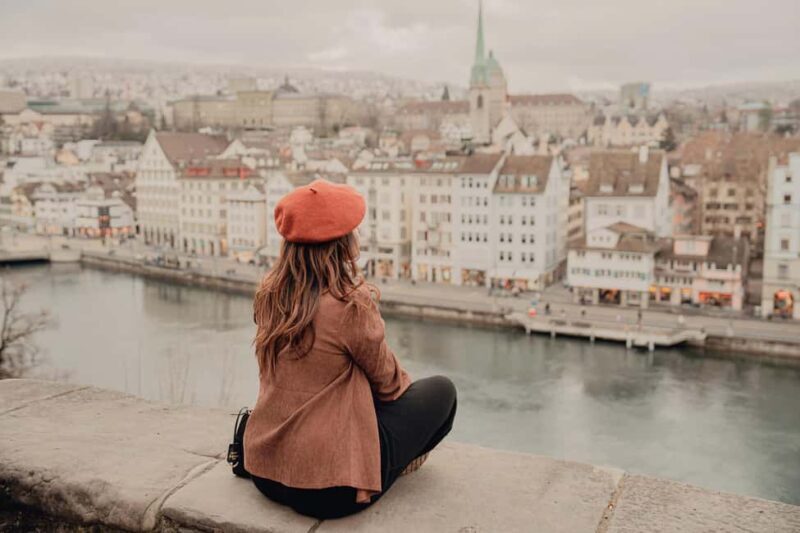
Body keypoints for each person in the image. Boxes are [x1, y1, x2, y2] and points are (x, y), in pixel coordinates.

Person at [244, 179, 457, 520]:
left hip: (265, 470)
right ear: (343, 244)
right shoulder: (348, 305)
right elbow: (389, 386)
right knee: (443, 392)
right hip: (331, 489)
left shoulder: (269, 296)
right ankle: (393, 465)